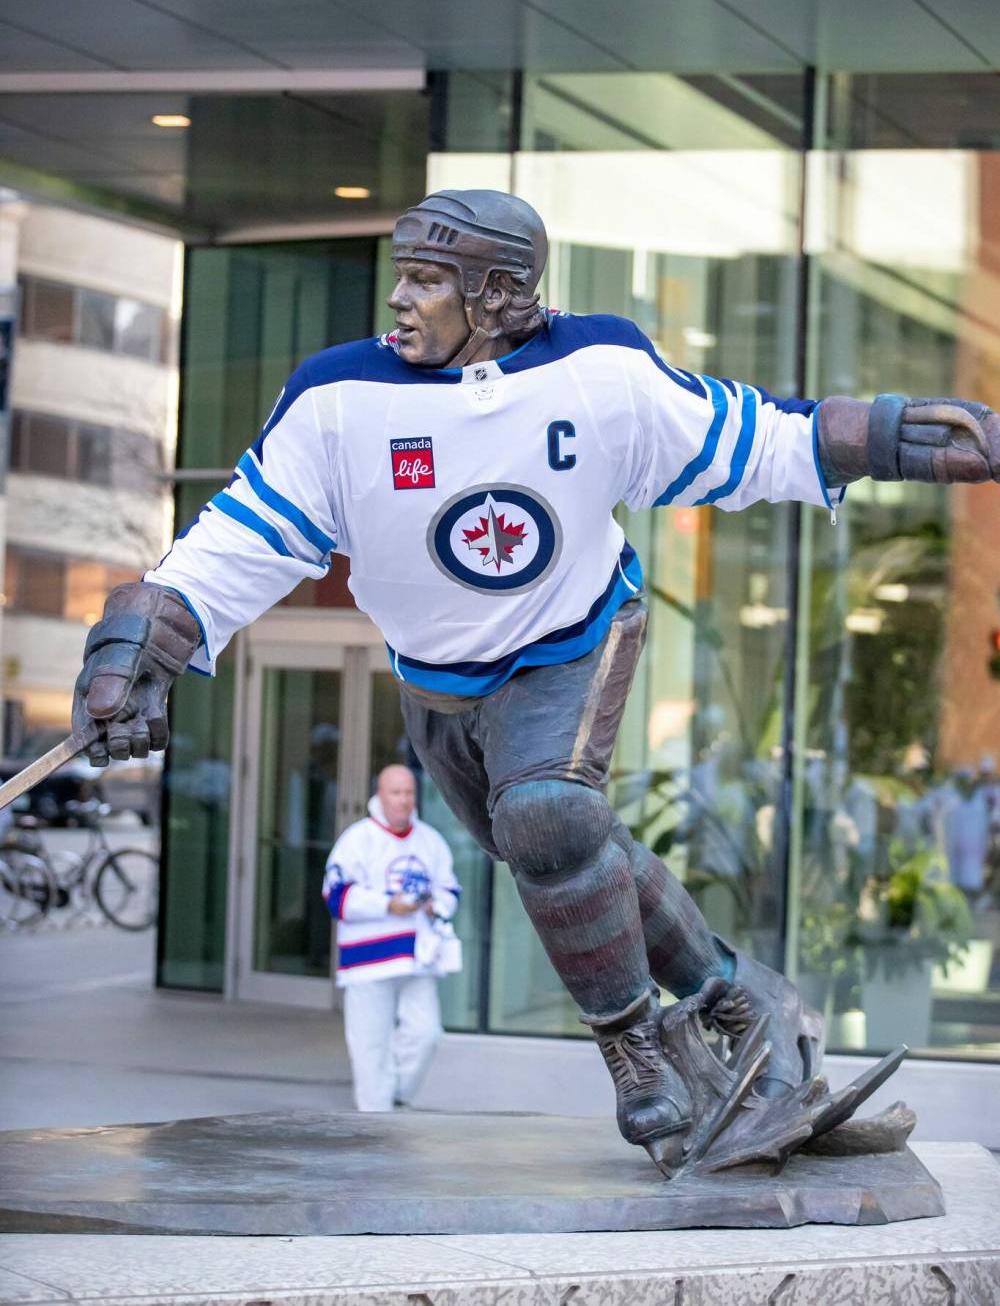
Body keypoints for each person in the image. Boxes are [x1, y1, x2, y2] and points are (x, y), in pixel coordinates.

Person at [70, 188, 1000, 1173]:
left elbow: (754, 439)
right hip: (438, 685)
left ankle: (638, 1062)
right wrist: (138, 644)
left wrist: (896, 435)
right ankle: (739, 995)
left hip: (573, 637)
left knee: (548, 816)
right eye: (403, 276)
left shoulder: (599, 374)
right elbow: (237, 543)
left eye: (428, 281)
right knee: (558, 847)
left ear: (501, 293)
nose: (400, 301)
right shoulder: (337, 401)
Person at [322, 763, 461, 1113]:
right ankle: (376, 1122)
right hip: (366, 962)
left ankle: (394, 1098)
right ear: (380, 795)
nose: (403, 801)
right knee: (370, 1046)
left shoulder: (430, 840)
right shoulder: (358, 839)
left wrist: (434, 906)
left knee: (426, 1034)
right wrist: (388, 905)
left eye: (408, 793)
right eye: (395, 793)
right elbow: (335, 896)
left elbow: (450, 890)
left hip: (417, 957)